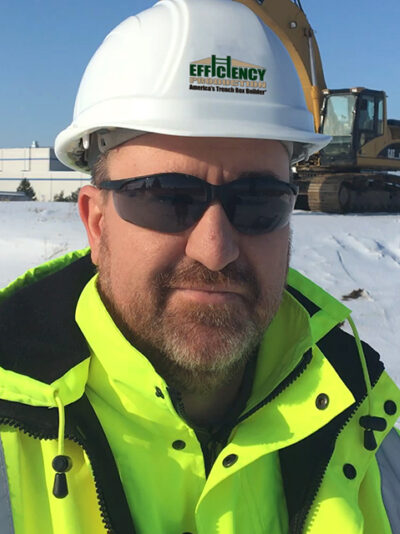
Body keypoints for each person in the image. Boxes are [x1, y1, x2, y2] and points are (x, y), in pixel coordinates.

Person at [0, 0, 399, 533]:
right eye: (167, 198)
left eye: (257, 202)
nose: (215, 249)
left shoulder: (367, 429)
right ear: (96, 223)